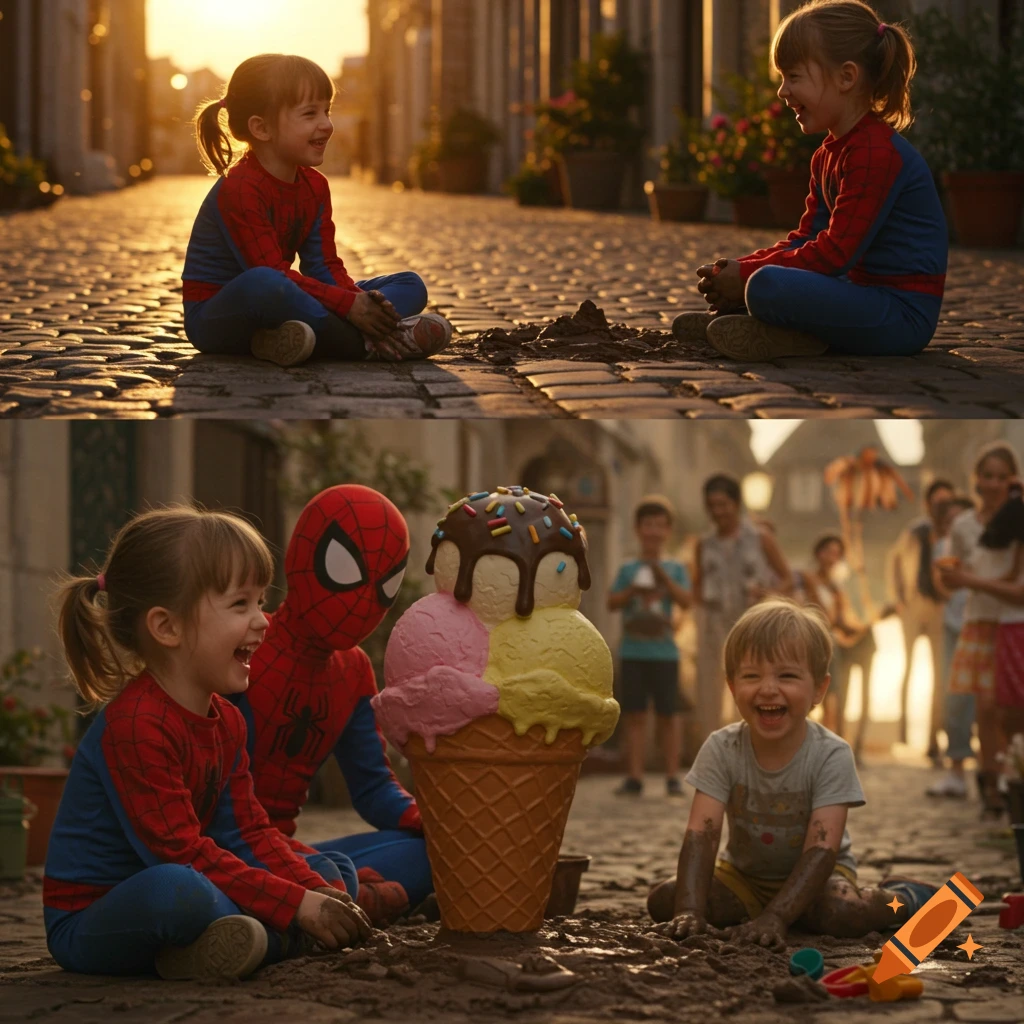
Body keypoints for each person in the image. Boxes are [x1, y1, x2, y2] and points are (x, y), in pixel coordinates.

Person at [44, 507, 371, 981]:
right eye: (241, 605)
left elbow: (249, 834)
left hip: (196, 881)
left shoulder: (227, 722)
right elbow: (180, 854)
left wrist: (315, 890)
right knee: (180, 891)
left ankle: (235, 945)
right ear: (167, 627)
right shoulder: (137, 724)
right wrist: (297, 903)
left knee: (332, 869)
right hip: (97, 918)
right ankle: (275, 936)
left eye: (261, 601)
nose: (264, 621)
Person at [647, 599, 937, 946]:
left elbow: (822, 849)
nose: (768, 688)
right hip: (744, 877)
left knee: (844, 913)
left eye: (786, 675)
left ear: (818, 689)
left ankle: (906, 897)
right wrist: (690, 911)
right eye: (752, 675)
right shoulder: (721, 748)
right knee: (664, 900)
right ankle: (758, 910)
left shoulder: (831, 754)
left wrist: (776, 916)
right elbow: (702, 834)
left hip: (822, 880)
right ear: (732, 686)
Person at [673, 0, 946, 362]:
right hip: (859, 294)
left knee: (766, 285)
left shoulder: (874, 153)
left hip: (901, 316)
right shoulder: (828, 154)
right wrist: (738, 267)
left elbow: (834, 253)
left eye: (794, 77)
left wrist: (749, 277)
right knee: (763, 281)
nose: (783, 91)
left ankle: (777, 327)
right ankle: (761, 322)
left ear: (846, 77)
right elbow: (806, 238)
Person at [235, 485, 431, 926]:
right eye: (345, 570)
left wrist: (435, 820)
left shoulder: (353, 669)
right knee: (322, 872)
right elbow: (216, 801)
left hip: (289, 851)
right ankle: (342, 896)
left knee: (432, 854)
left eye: (385, 585)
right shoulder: (245, 644)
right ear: (302, 559)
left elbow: (373, 787)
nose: (364, 601)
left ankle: (333, 897)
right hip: (225, 844)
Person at [182, 54, 452, 367]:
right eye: (310, 114)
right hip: (219, 316)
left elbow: (323, 265)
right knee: (265, 282)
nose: (326, 124)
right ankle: (369, 344)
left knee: (410, 284)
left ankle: (285, 340)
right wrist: (350, 308)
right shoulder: (240, 188)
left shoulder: (315, 186)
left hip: (289, 304)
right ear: (262, 128)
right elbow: (272, 274)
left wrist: (359, 303)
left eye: (327, 110)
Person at [938, 443, 1020, 817]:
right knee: (985, 708)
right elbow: (951, 585)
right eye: (988, 475)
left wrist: (967, 578)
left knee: (1007, 708)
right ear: (977, 480)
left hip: (1012, 620)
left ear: (1012, 480)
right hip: (978, 619)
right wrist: (950, 578)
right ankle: (991, 783)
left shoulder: (1018, 518)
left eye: (1002, 476)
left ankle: (1008, 773)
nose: (994, 483)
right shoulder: (964, 525)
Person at [693, 474, 791, 746]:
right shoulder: (704, 543)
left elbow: (786, 577)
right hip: (714, 628)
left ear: (736, 503)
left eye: (723, 504)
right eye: (712, 505)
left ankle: (757, 748)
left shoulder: (760, 537)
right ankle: (714, 753)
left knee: (753, 688)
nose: (718, 511)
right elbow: (697, 587)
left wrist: (769, 594)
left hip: (753, 629)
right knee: (710, 694)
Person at [607, 496, 692, 797]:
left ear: (668, 530)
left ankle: (672, 776)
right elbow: (612, 602)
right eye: (648, 525)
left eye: (659, 525)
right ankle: (635, 776)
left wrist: (663, 578)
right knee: (635, 714)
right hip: (633, 651)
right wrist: (634, 589)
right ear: (638, 529)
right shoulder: (628, 568)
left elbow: (686, 601)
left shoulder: (676, 567)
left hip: (665, 652)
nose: (653, 531)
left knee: (669, 715)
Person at [888, 478, 955, 760]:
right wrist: (899, 598)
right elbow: (894, 559)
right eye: (937, 502)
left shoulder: (954, 532)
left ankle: (933, 737)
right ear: (928, 504)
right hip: (915, 603)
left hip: (941, 606)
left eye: (946, 502)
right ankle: (902, 731)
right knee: (908, 667)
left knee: (941, 675)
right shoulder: (915, 531)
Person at [798, 533, 877, 758]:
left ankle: (829, 746)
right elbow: (821, 612)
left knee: (833, 694)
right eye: (829, 552)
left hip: (830, 642)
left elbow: (841, 623)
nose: (833, 558)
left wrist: (868, 624)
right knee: (816, 694)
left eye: (837, 554)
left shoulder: (836, 585)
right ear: (818, 553)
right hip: (810, 639)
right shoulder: (808, 577)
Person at [927, 494, 979, 799]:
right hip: (953, 624)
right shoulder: (940, 547)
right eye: (950, 522)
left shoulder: (986, 541)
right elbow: (939, 583)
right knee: (955, 697)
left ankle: (996, 769)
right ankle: (957, 768)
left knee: (991, 700)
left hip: (985, 622)